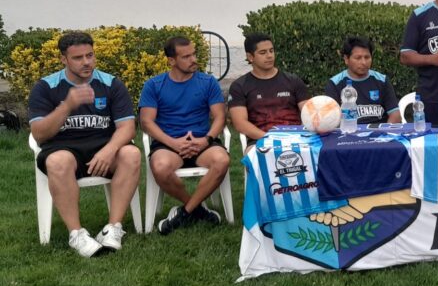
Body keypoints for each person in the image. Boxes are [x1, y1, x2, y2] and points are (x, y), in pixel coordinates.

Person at [28, 31, 141, 257]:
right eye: (78, 58)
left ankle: (113, 228)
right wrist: (67, 106)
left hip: (104, 148)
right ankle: (77, 234)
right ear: (64, 59)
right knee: (58, 161)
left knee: (131, 153)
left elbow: (127, 128)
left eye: (90, 55)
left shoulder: (111, 84)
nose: (86, 62)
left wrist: (109, 150)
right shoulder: (46, 87)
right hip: (63, 148)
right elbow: (39, 134)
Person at [139, 36, 230, 235]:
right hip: (168, 143)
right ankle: (197, 209)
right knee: (160, 166)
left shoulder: (208, 82)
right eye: (186, 56)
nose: (193, 59)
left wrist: (206, 140)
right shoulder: (154, 85)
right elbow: (146, 122)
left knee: (222, 160)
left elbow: (220, 117)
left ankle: (185, 212)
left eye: (194, 54)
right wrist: (173, 143)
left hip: (203, 142)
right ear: (171, 60)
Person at [227, 33, 311, 150]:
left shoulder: (293, 81)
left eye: (271, 51)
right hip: (260, 140)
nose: (269, 56)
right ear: (250, 57)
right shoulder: (239, 86)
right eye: (263, 53)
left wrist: (299, 135)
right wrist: (269, 138)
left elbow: (309, 113)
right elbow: (240, 123)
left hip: (295, 138)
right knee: (253, 155)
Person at [324, 36, 401, 124]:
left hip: (380, 130)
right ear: (346, 59)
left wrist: (385, 131)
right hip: (349, 130)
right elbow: (331, 119)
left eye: (367, 57)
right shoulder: (335, 84)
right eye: (358, 58)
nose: (363, 62)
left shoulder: (382, 80)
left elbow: (395, 115)